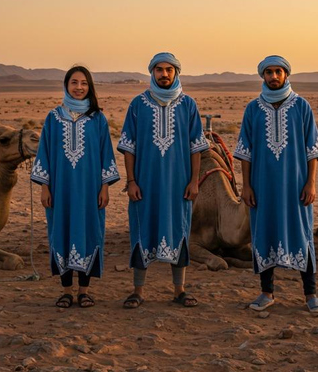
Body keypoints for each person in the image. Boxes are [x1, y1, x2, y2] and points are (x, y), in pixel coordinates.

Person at [233, 55, 318, 315]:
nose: (274, 77)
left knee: (302, 234)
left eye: (278, 72)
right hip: (263, 186)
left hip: (296, 186)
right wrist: (247, 186)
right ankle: (266, 293)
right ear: (262, 76)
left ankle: (311, 295)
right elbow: (245, 152)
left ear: (287, 75)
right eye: (269, 72)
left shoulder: (302, 107)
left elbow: (312, 150)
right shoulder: (253, 109)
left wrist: (311, 183)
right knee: (265, 233)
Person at [117, 52, 209, 308]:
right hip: (145, 185)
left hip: (179, 185)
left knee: (179, 230)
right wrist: (132, 181)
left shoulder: (188, 105)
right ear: (152, 72)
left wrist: (194, 182)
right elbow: (129, 147)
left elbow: (195, 148)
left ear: (176, 73)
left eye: (169, 69)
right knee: (141, 231)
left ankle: (179, 290)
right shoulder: (137, 105)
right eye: (159, 69)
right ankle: (138, 291)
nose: (164, 74)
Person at [31, 65, 120, 308]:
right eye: (74, 83)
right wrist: (44, 187)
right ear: (66, 85)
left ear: (89, 87)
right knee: (62, 232)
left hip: (90, 191)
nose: (79, 87)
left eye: (84, 83)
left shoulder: (98, 119)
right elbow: (45, 154)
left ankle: (84, 291)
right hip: (60, 191)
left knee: (89, 232)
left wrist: (105, 188)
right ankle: (66, 291)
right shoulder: (53, 117)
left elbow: (105, 155)